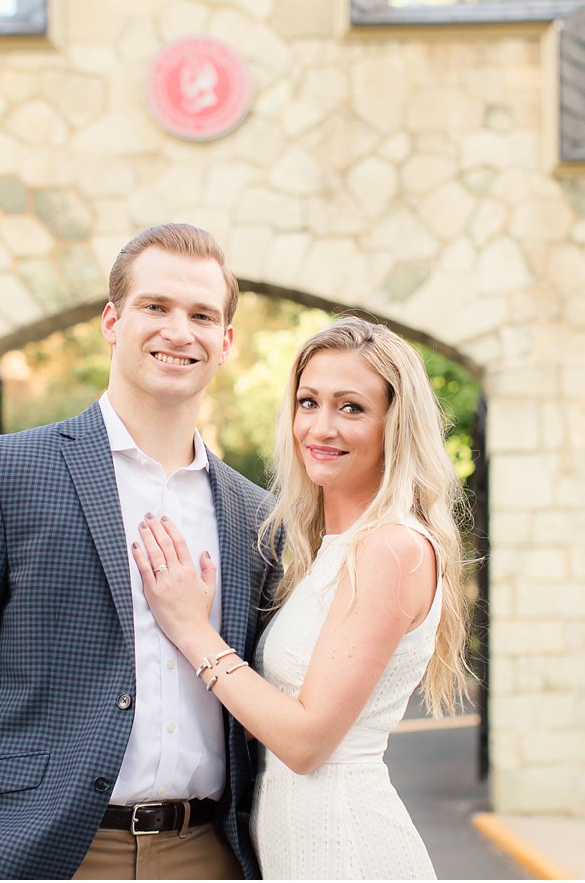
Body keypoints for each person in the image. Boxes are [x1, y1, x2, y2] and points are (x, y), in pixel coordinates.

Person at [0, 223, 281, 880]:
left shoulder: (255, 515)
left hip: (209, 854)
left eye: (202, 315)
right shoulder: (6, 471)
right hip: (48, 854)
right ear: (111, 321)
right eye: (155, 307)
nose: (179, 332)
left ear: (226, 341)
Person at [131, 316, 472, 879]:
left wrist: (193, 630)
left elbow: (307, 742)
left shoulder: (391, 548)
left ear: (395, 426)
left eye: (352, 407)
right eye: (308, 402)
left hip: (349, 852)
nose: (321, 427)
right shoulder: (325, 553)